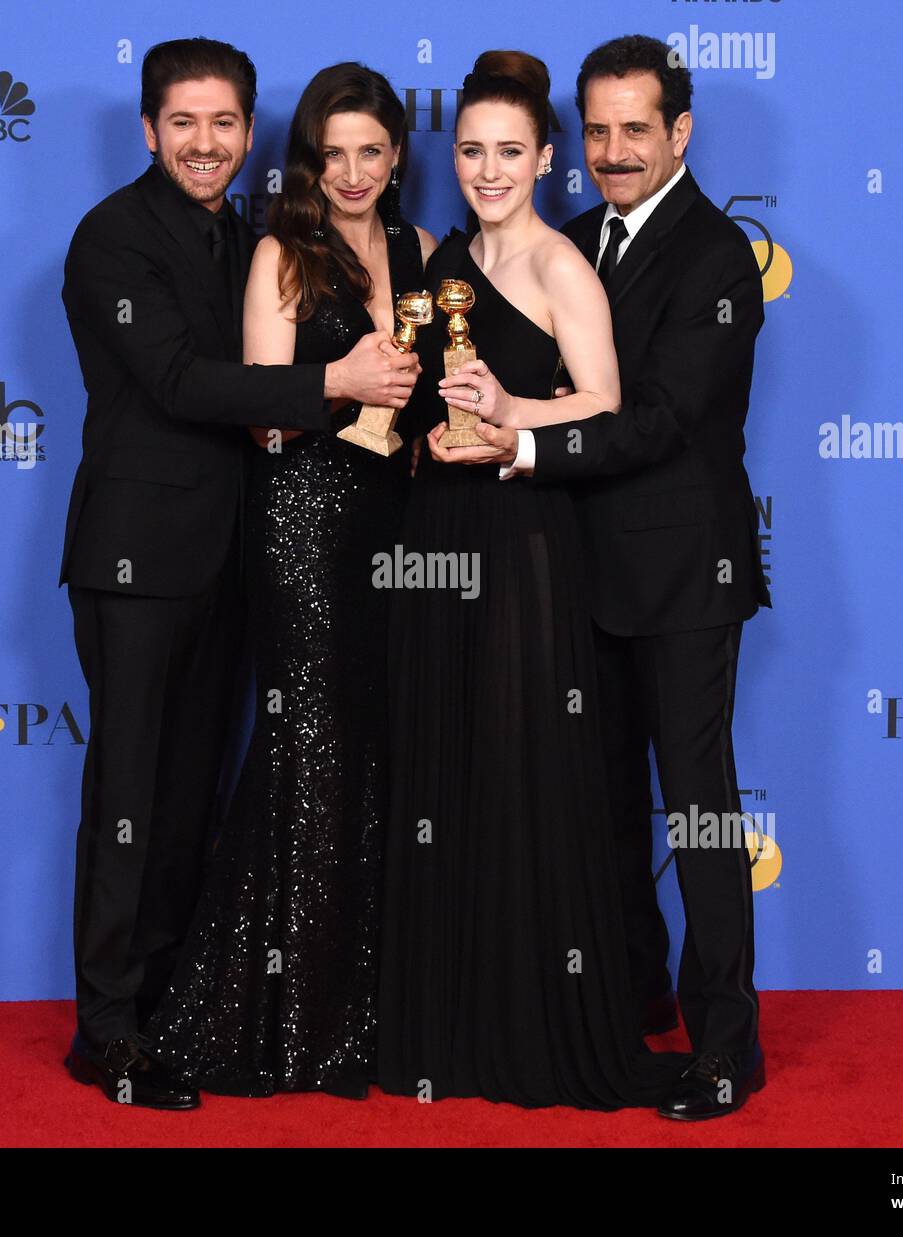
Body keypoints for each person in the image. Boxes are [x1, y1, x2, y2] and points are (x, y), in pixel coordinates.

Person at [59, 39, 418, 1110]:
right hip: (136, 562)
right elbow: (175, 380)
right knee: (129, 793)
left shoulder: (243, 240)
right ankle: (107, 1032)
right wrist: (334, 382)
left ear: (248, 134)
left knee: (187, 797)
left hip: (231, 560)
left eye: (224, 126)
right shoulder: (111, 239)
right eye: (184, 124)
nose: (205, 145)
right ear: (147, 130)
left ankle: (167, 1004)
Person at [377, 49, 688, 1110]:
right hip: (436, 527)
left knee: (519, 767)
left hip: (522, 542)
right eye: (470, 150)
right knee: (445, 766)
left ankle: (534, 1022)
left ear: (546, 157)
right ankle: (446, 1021)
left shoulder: (564, 265)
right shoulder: (438, 263)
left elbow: (602, 402)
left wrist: (510, 413)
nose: (488, 168)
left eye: (510, 150)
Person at [466, 35, 770, 1120]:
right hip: (577, 573)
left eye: (634, 129)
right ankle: (634, 1003)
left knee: (694, 812)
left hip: (686, 573)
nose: (612, 151)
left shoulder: (719, 258)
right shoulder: (576, 239)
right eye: (594, 131)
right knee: (598, 806)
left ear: (679, 133)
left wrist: (523, 443)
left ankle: (726, 1044)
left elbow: (656, 422)